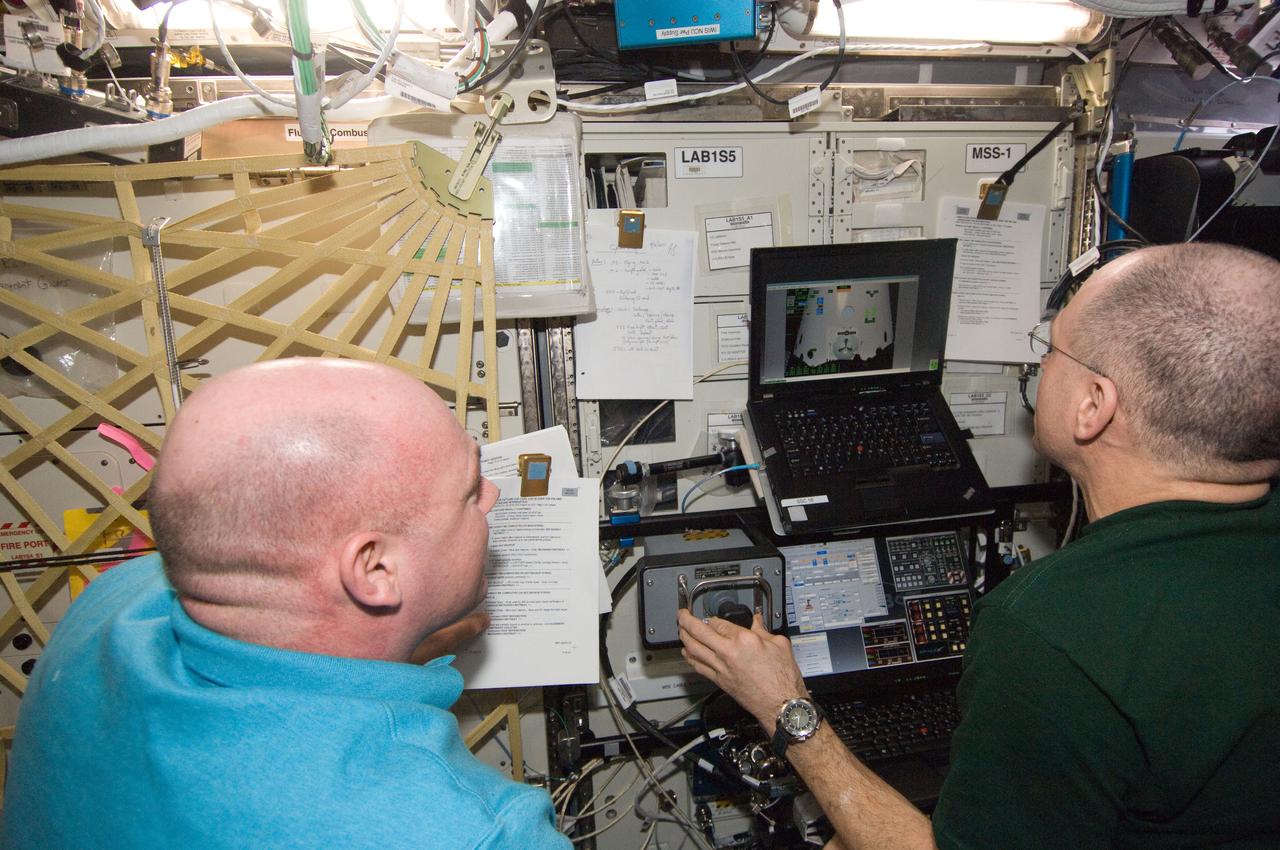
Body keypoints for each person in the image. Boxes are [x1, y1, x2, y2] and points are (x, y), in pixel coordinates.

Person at [678, 242, 1280, 850]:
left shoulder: (1052, 631)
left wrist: (785, 707)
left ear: (1094, 406)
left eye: (1050, 352)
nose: (1038, 368)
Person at [2, 358, 571, 850]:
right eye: (470, 490)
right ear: (373, 570)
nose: (492, 496)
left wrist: (396, 650)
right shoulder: (474, 833)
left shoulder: (111, 601)